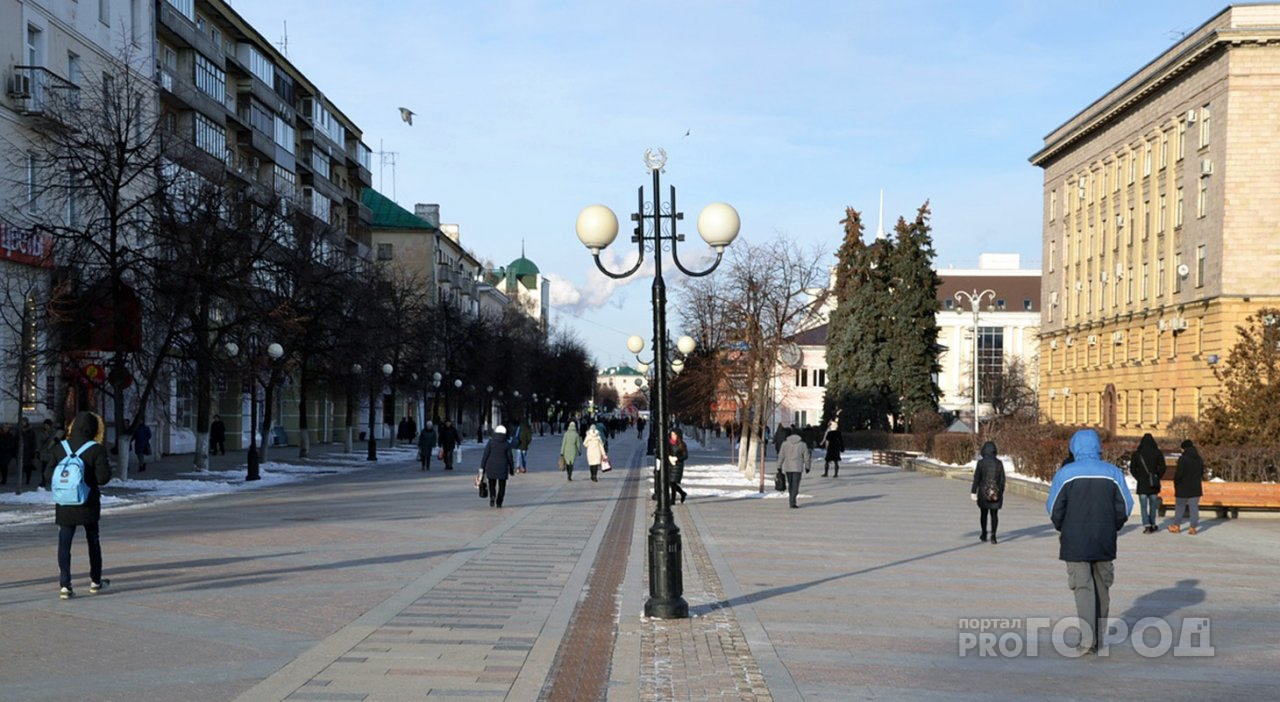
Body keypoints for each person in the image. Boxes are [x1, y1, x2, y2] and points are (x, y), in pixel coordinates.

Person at [1046, 429, 1133, 654]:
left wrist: (1063, 527)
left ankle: (1087, 640)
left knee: (1083, 587)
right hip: (1104, 538)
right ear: (1098, 447)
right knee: (1102, 587)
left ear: (1074, 447)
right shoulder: (1113, 473)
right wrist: (1112, 526)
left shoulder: (1066, 474)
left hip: (1074, 540)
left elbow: (1054, 508)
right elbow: (1125, 507)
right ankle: (1099, 636)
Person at [54, 412, 113, 599]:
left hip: (64, 502)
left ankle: (65, 585)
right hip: (88, 502)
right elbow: (103, 479)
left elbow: (48, 475)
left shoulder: (60, 447)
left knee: (64, 542)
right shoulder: (96, 449)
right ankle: (96, 581)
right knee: (93, 540)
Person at [970, 441, 1006, 543]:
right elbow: (1002, 479)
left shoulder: (981, 463)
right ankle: (993, 535)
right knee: (994, 514)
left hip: (983, 492)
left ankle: (984, 533)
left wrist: (973, 491)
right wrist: (1000, 491)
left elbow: (976, 478)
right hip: (995, 493)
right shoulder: (999, 463)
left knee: (983, 514)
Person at [1129, 433, 1166, 534]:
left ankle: (1147, 525)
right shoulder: (1157, 452)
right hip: (1153, 484)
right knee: (1153, 505)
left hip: (1142, 484)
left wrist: (1139, 478)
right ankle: (1153, 523)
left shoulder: (1137, 454)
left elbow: (1132, 469)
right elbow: (1163, 467)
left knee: (1143, 506)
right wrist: (1157, 477)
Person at [1168, 439, 1204, 535]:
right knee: (1194, 508)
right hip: (1195, 487)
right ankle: (1193, 528)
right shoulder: (1199, 459)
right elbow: (1201, 473)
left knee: (1180, 507)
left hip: (1182, 487)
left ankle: (1176, 526)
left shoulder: (1183, 459)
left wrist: (1176, 483)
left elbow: (1179, 474)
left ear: (1184, 448)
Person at [480, 425, 515, 508]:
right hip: (503, 468)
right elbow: (510, 457)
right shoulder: (506, 444)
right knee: (502, 486)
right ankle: (499, 501)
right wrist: (511, 468)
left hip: (491, 467)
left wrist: (482, 466)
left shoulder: (491, 442)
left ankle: (492, 496)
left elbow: (485, 455)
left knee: (492, 484)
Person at [778, 429, 811, 508]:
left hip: (788, 467)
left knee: (790, 484)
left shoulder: (784, 444)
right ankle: (792, 501)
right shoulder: (803, 444)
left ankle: (791, 500)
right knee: (795, 485)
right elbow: (806, 457)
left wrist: (779, 466)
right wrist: (807, 466)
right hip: (797, 467)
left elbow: (781, 456)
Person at [667, 428, 689, 504]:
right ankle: (682, 493)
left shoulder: (682, 444)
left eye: (674, 435)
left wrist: (677, 458)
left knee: (672, 482)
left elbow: (685, 456)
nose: (673, 436)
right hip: (670, 465)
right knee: (671, 482)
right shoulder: (668, 443)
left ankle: (672, 500)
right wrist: (669, 457)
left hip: (678, 466)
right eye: (672, 435)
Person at [19, 417, 38, 485]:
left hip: (28, 451)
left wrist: (33, 451)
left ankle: (27, 479)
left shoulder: (31, 431)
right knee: (21, 467)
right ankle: (20, 480)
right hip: (21, 451)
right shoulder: (19, 430)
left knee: (28, 467)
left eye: (24, 422)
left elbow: (33, 442)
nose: (23, 423)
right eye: (22, 422)